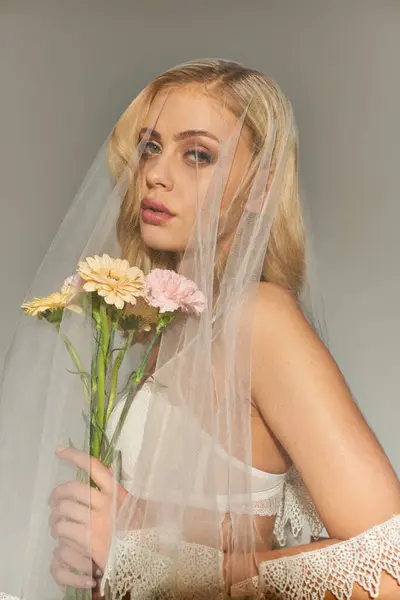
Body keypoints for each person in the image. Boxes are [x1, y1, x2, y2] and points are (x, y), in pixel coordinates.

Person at [1, 59, 400, 600]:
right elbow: (194, 529)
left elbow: (390, 567)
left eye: (197, 154)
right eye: (149, 147)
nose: (156, 174)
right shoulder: (164, 329)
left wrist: (138, 553)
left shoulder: (258, 317)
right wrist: (105, 559)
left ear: (261, 188)